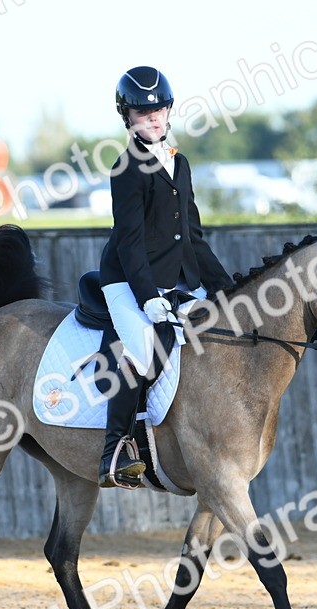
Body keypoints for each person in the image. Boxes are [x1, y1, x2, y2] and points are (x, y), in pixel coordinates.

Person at [97, 65, 234, 488]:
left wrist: (226, 288)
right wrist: (146, 297)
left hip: (175, 281)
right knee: (142, 350)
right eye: (143, 113)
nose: (154, 118)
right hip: (128, 281)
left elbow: (193, 235)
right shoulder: (126, 167)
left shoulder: (181, 163)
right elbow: (129, 242)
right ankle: (115, 451)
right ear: (128, 119)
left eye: (159, 110)